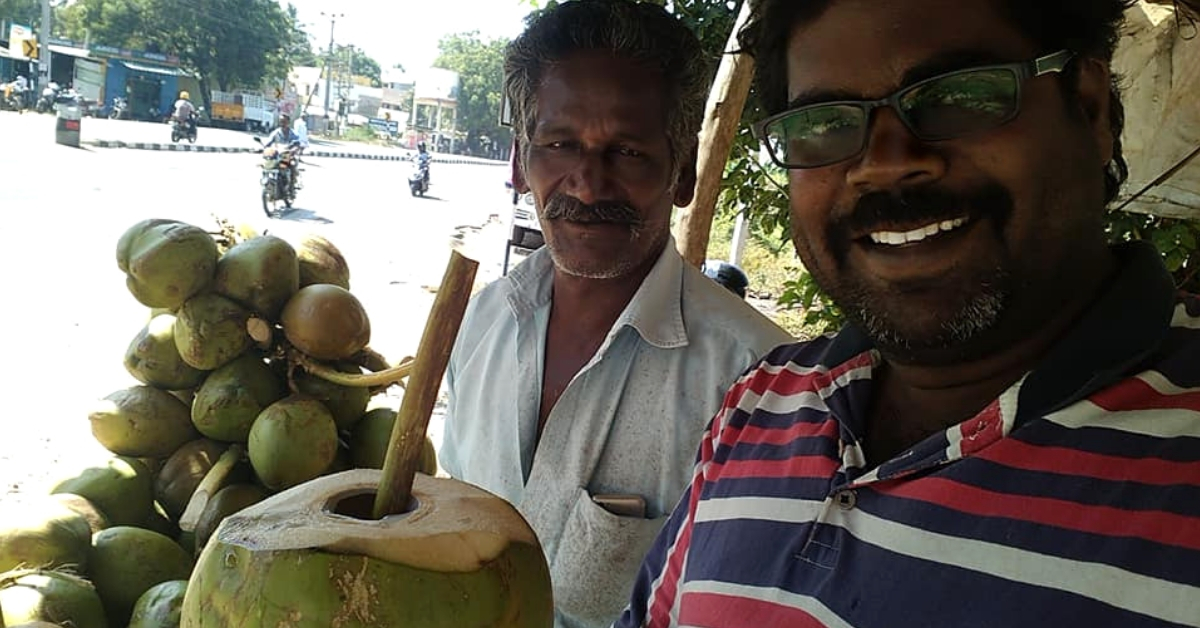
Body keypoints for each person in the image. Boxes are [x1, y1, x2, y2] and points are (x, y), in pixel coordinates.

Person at [617, 0, 1200, 626]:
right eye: (825, 122)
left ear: (1089, 108)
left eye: (959, 94)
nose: (887, 161)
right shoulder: (761, 404)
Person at [438, 2, 792, 627]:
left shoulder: (756, 387)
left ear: (682, 171)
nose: (587, 183)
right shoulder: (481, 324)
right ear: (520, 164)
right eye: (559, 144)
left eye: (627, 152)